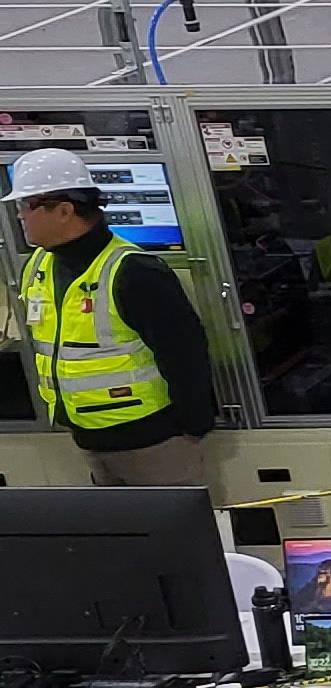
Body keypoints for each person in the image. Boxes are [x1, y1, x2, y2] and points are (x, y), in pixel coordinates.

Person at [8, 148, 217, 486]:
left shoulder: (134, 271)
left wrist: (192, 427)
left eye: (26, 206)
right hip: (89, 438)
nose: (20, 216)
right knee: (123, 535)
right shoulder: (39, 266)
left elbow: (185, 354)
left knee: (173, 534)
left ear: (64, 210)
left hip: (153, 441)